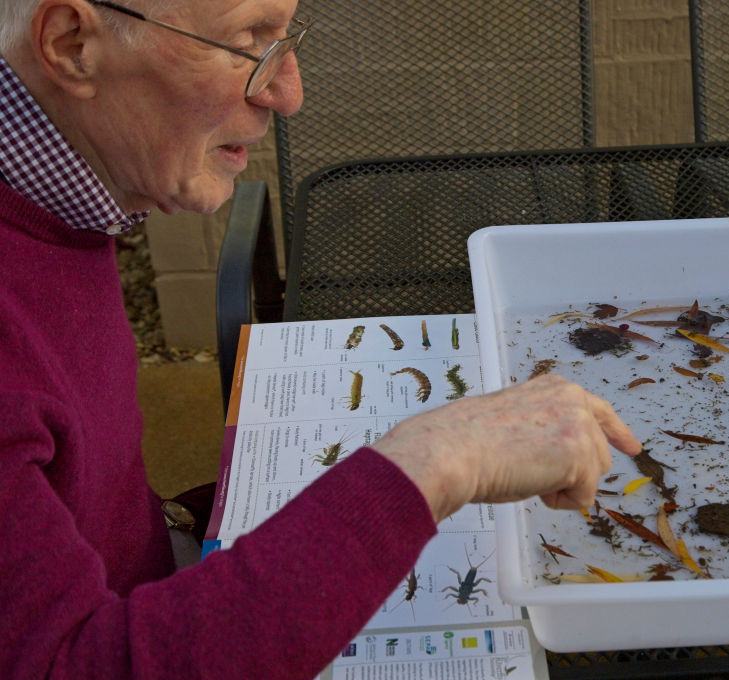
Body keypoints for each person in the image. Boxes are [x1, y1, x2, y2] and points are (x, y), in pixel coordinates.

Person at [0, 0, 641, 677]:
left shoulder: (63, 196)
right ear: (71, 45)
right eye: (247, 41)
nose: (288, 92)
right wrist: (438, 458)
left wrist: (198, 520)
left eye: (285, 34)